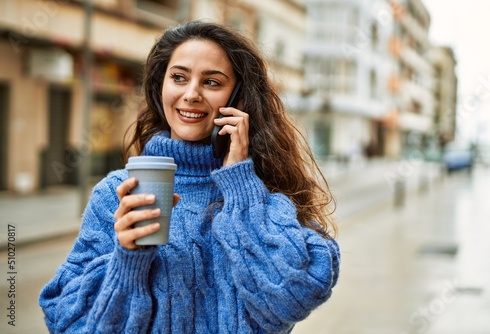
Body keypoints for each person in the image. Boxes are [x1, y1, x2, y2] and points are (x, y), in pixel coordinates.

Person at [40, 20, 340, 333]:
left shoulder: (266, 197)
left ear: (238, 98)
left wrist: (239, 185)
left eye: (212, 82)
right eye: (179, 78)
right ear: (161, 87)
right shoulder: (116, 194)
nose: (191, 94)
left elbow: (293, 299)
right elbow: (68, 322)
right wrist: (127, 261)